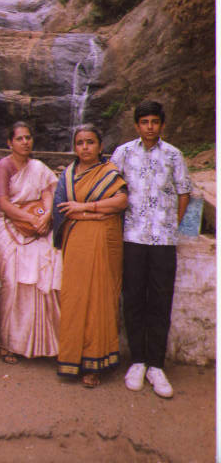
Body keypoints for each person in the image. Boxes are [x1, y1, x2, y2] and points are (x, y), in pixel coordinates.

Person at [111, 100, 191, 399]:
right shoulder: (123, 153)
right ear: (136, 125)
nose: (149, 127)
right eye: (144, 122)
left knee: (160, 300)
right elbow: (110, 188)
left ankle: (156, 365)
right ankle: (137, 361)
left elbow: (185, 193)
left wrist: (175, 226)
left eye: (154, 122)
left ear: (162, 124)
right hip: (131, 238)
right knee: (133, 298)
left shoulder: (173, 155)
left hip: (163, 241)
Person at [53, 124, 128, 388]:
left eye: (90, 142)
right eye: (80, 143)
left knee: (100, 298)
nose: (85, 147)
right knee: (74, 299)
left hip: (104, 243)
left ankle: (95, 364)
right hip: (76, 243)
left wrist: (85, 208)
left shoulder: (109, 172)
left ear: (100, 146)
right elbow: (63, 211)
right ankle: (71, 359)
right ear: (74, 147)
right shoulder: (67, 176)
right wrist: (96, 213)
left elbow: (121, 202)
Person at [0, 122, 62, 364]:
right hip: (10, 225)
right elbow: (3, 203)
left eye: (28, 137)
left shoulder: (38, 167)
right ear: (10, 143)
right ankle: (8, 342)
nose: (25, 142)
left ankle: (48, 344)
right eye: (19, 138)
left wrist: (46, 216)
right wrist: (31, 219)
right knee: (12, 282)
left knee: (48, 271)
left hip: (38, 225)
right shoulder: (4, 166)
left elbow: (48, 192)